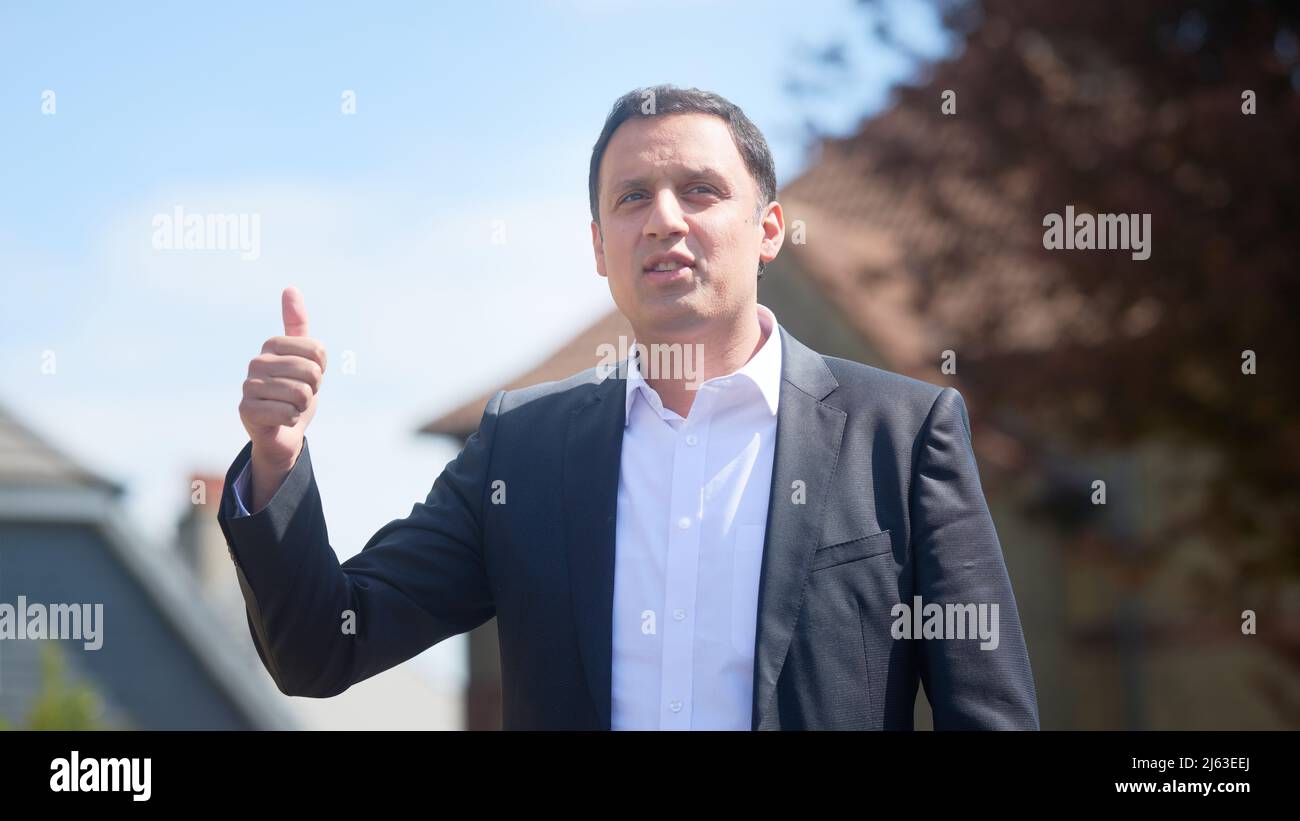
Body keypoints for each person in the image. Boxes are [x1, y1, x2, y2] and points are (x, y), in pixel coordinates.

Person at [218, 84, 1039, 730]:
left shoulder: (899, 434)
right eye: (633, 196)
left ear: (769, 230)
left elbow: (989, 715)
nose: (665, 220)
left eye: (701, 189)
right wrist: (277, 460)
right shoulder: (521, 450)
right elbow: (324, 648)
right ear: (598, 246)